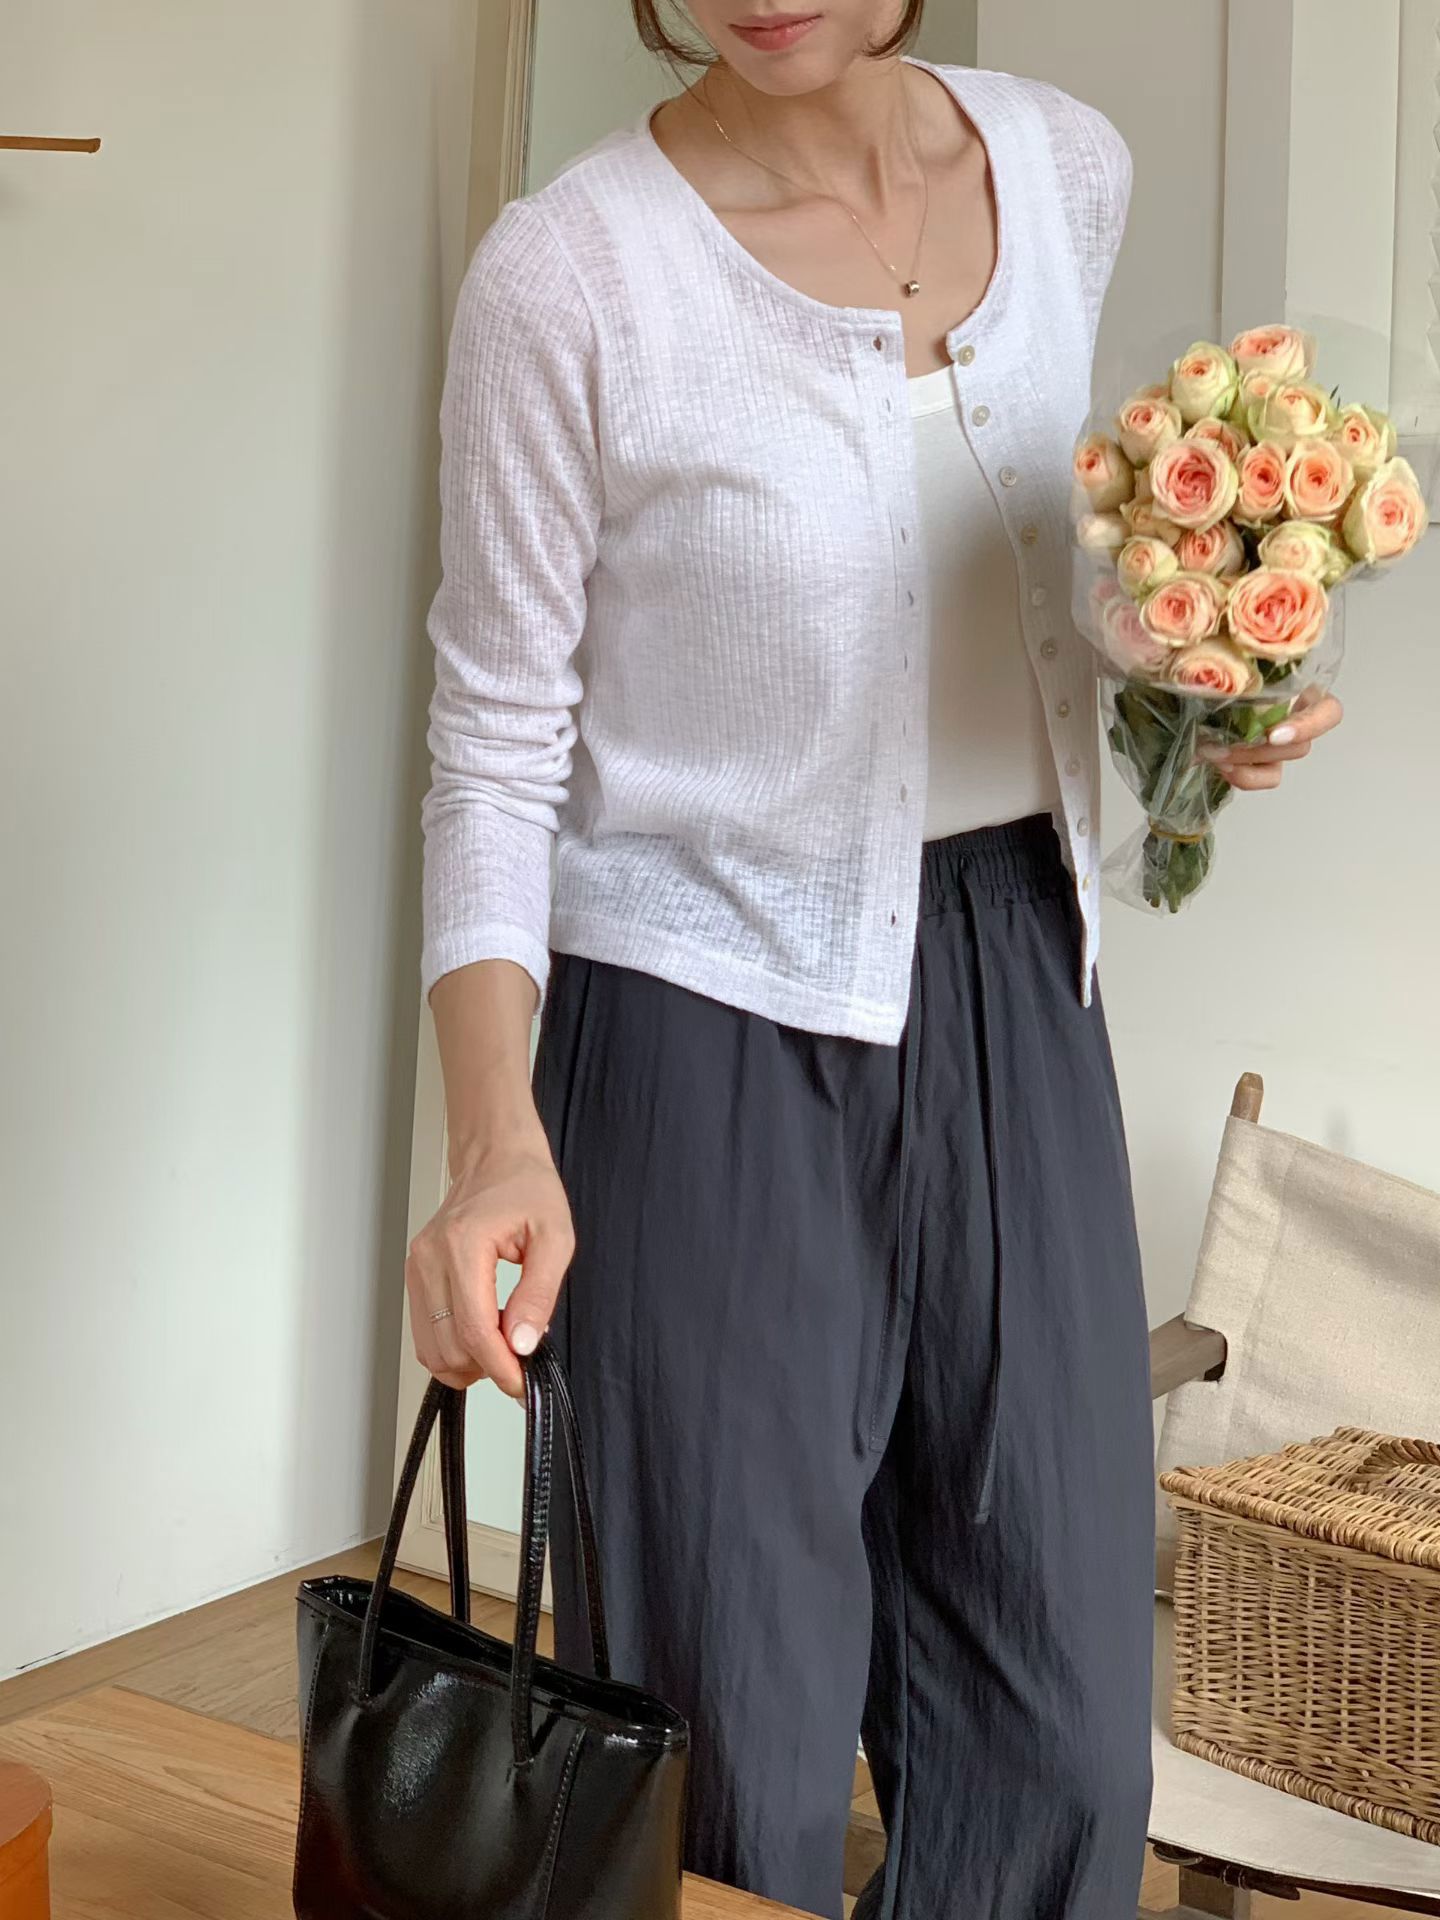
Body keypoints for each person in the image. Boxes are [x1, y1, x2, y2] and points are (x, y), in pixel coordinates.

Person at [405, 5, 1343, 1915]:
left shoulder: (1061, 167)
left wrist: (1191, 688)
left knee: (1060, 1733)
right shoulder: (571, 272)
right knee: (730, 1738)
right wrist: (494, 1137)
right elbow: (494, 746)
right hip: (696, 1031)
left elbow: (1033, 592)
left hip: (1020, 988)